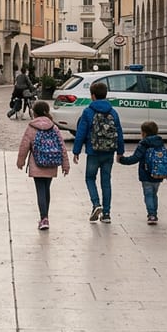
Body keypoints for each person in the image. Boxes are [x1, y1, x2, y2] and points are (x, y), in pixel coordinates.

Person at [72, 81, 125, 223]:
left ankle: (96, 204)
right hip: (109, 152)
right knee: (106, 181)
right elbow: (119, 132)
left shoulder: (88, 112)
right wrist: (120, 151)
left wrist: (76, 150)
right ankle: (106, 214)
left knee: (90, 178)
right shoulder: (113, 112)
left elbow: (81, 133)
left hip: (93, 151)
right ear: (105, 95)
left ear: (93, 96)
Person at [17, 100, 70, 230]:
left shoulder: (31, 127)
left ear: (34, 113)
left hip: (37, 164)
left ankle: (43, 218)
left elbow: (25, 145)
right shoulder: (54, 127)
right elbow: (62, 146)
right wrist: (65, 164)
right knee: (46, 189)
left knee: (40, 190)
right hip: (51, 163)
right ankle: (45, 216)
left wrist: (21, 160)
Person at [118, 120, 167, 225]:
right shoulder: (160, 143)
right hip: (158, 174)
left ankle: (151, 215)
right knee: (154, 194)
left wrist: (122, 160)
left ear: (144, 133)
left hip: (146, 174)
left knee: (148, 194)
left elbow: (135, 158)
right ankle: (154, 213)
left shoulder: (144, 144)